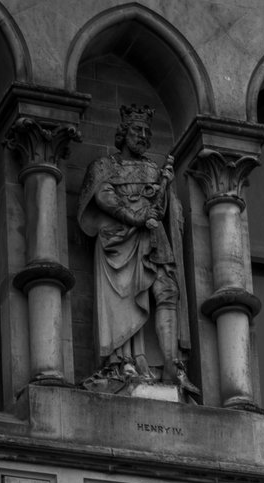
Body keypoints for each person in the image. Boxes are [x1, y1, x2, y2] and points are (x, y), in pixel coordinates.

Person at [78, 104, 198, 399]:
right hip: (119, 242)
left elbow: (166, 210)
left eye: (147, 131)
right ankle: (124, 362)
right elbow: (104, 199)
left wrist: (166, 192)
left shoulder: (155, 171)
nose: (143, 136)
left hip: (153, 239)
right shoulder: (104, 166)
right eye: (136, 130)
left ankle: (171, 366)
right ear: (123, 133)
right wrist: (137, 217)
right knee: (125, 299)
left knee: (167, 291)